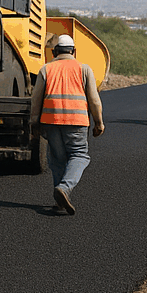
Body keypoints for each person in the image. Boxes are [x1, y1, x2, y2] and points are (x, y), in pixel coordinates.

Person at [30, 34, 105, 215]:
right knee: (80, 156)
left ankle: (59, 201)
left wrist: (33, 122)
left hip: (51, 122)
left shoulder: (46, 69)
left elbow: (36, 99)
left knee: (57, 159)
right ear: (74, 51)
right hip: (76, 122)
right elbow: (94, 100)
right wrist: (99, 122)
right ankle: (64, 188)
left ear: (55, 52)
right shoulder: (84, 69)